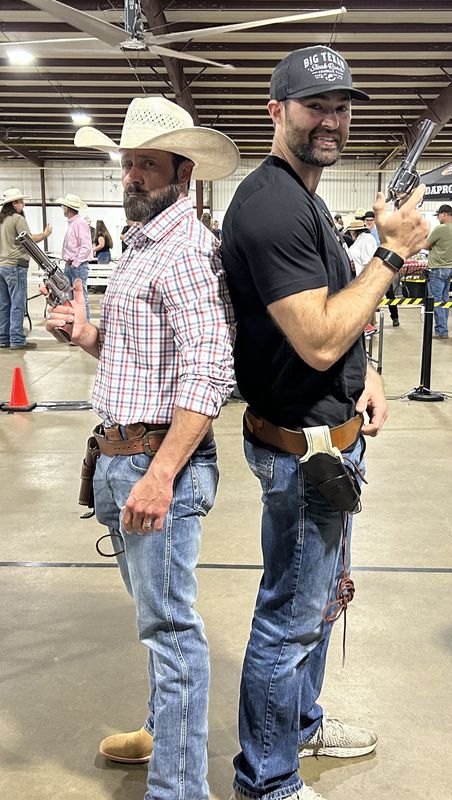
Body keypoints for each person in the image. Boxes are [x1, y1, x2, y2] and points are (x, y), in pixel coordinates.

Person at [221, 45, 429, 800]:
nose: (332, 120)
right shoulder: (272, 206)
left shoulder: (303, 197)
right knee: (289, 618)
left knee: (315, 606)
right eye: (315, 106)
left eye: (341, 107)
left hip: (327, 441)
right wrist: (392, 253)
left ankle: (300, 724)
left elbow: (328, 319)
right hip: (303, 455)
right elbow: (314, 337)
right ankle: (267, 780)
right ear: (275, 111)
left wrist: (362, 374)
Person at [46, 95, 239, 800]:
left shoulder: (186, 251)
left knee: (170, 630)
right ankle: (165, 733)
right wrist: (85, 336)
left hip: (156, 464)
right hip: (119, 456)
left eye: (147, 165)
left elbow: (208, 373)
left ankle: (179, 789)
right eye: (128, 163)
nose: (131, 176)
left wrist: (159, 476)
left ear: (182, 173)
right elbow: (137, 358)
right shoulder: (142, 243)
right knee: (157, 623)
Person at [0, 187, 52, 350]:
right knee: (18, 303)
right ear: (14, 204)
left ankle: (3, 338)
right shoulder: (17, 219)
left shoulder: (2, 220)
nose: (23, 204)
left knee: (4, 304)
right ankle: (17, 339)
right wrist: (45, 234)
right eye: (21, 202)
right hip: (16, 265)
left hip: (2, 265)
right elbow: (27, 240)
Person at [424, 203, 452, 339]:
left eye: (438, 215)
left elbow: (425, 245)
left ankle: (442, 330)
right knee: (445, 300)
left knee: (436, 301)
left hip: (437, 268)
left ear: (444, 214)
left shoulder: (440, 228)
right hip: (449, 267)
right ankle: (443, 328)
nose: (437, 218)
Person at [57, 193, 93, 320]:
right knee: (71, 297)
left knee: (80, 297)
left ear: (66, 208)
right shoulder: (75, 223)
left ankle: (84, 324)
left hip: (77, 266)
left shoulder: (79, 223)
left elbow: (86, 247)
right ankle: (77, 323)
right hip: (73, 265)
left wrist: (75, 263)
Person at [365, 210, 400, 326]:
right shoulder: (364, 234)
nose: (369, 222)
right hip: (369, 267)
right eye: (367, 220)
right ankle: (369, 321)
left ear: (374, 221)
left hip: (382, 266)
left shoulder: (379, 233)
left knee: (389, 293)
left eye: (371, 220)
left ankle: (395, 317)